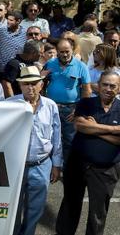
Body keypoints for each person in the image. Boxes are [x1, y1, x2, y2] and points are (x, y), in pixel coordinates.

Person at [56, 71, 120, 235]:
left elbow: (90, 129)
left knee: (98, 212)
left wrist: (94, 128)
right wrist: (114, 129)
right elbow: (80, 126)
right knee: (70, 206)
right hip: (77, 165)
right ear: (98, 86)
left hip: (106, 170)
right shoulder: (86, 103)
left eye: (113, 86)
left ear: (118, 88)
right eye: (105, 84)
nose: (108, 88)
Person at [8, 66, 62, 235]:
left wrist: (56, 165)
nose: (30, 87)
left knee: (35, 210)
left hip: (41, 164)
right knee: (13, 209)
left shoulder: (51, 106)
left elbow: (57, 137)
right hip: (15, 166)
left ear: (41, 85)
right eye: (26, 84)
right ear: (20, 86)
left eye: (34, 83)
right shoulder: (9, 105)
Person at [44, 38, 92, 164]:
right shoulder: (50, 64)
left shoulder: (81, 66)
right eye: (61, 52)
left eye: (67, 51)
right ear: (57, 52)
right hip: (51, 107)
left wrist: (79, 110)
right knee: (49, 139)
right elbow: (41, 84)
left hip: (71, 109)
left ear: (72, 50)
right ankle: (51, 167)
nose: (65, 54)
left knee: (69, 140)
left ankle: (68, 169)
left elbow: (87, 90)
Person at [0, 11, 28, 76]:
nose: (8, 21)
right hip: (1, 69)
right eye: (8, 19)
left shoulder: (25, 32)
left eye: (11, 20)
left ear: (18, 21)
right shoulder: (0, 31)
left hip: (18, 69)